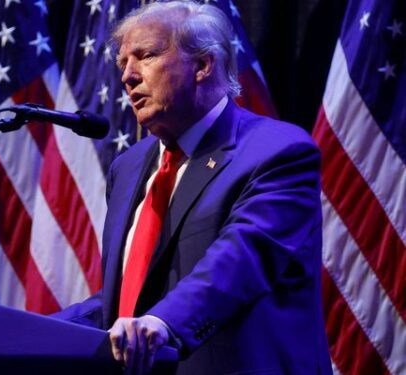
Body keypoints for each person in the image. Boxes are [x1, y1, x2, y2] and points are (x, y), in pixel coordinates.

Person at [53, 1, 332, 374]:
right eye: (123, 63)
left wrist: (163, 323)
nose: (128, 76)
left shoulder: (278, 152)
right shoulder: (130, 167)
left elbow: (238, 260)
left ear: (203, 65)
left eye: (146, 56)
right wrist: (37, 330)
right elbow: (129, 294)